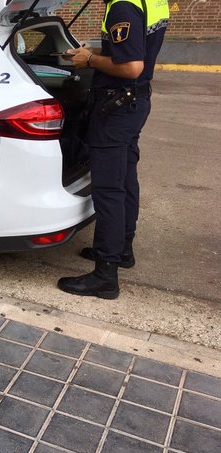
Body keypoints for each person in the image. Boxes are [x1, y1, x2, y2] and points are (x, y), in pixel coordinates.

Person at [57, 0, 169, 299]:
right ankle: (122, 251)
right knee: (125, 178)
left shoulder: (122, 6)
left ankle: (105, 275)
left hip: (116, 106)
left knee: (108, 189)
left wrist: (89, 61)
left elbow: (132, 66)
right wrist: (94, 53)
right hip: (134, 103)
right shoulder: (152, 1)